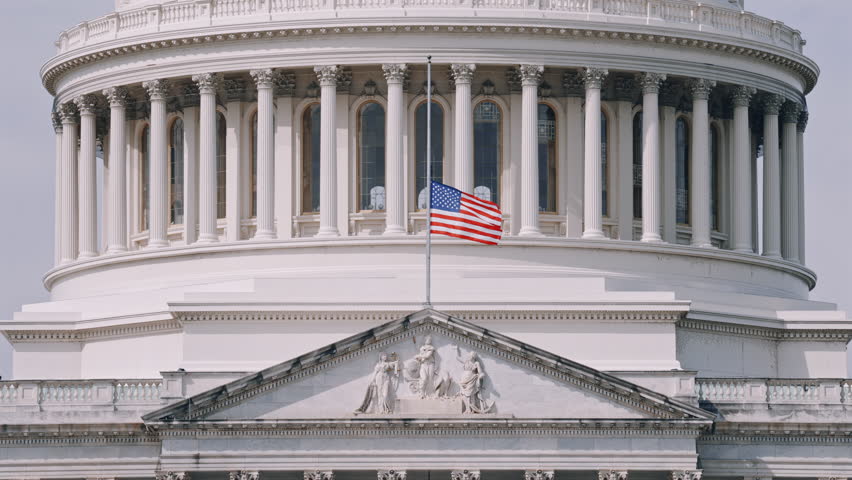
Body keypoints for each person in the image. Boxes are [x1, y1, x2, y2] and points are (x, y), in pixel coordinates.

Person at [455, 346, 494, 414]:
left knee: (470, 394)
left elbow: (480, 372)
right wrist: (456, 350)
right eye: (470, 355)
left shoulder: (476, 363)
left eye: (472, 355)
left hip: (472, 378)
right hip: (464, 379)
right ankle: (468, 409)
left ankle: (471, 409)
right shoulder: (466, 361)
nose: (470, 356)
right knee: (464, 394)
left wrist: (480, 376)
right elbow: (458, 358)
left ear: (474, 356)